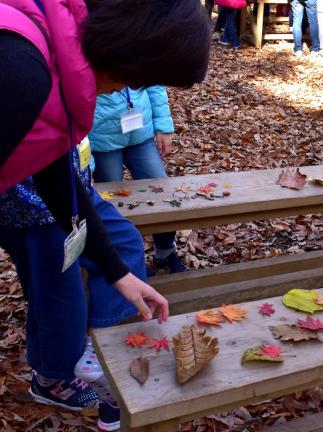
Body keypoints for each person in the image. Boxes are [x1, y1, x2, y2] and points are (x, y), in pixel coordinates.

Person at [0, 0, 210, 429]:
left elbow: (54, 170)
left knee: (119, 243)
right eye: (145, 77)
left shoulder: (58, 60)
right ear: (129, 51)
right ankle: (54, 373)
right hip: (18, 207)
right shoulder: (18, 69)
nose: (125, 91)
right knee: (61, 295)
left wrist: (115, 271)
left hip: (42, 198)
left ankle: (97, 350)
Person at [89, 86, 188, 275]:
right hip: (102, 139)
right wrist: (86, 163)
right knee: (113, 206)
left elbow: (154, 82)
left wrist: (163, 127)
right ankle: (122, 266)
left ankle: (165, 252)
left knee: (161, 193)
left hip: (140, 133)